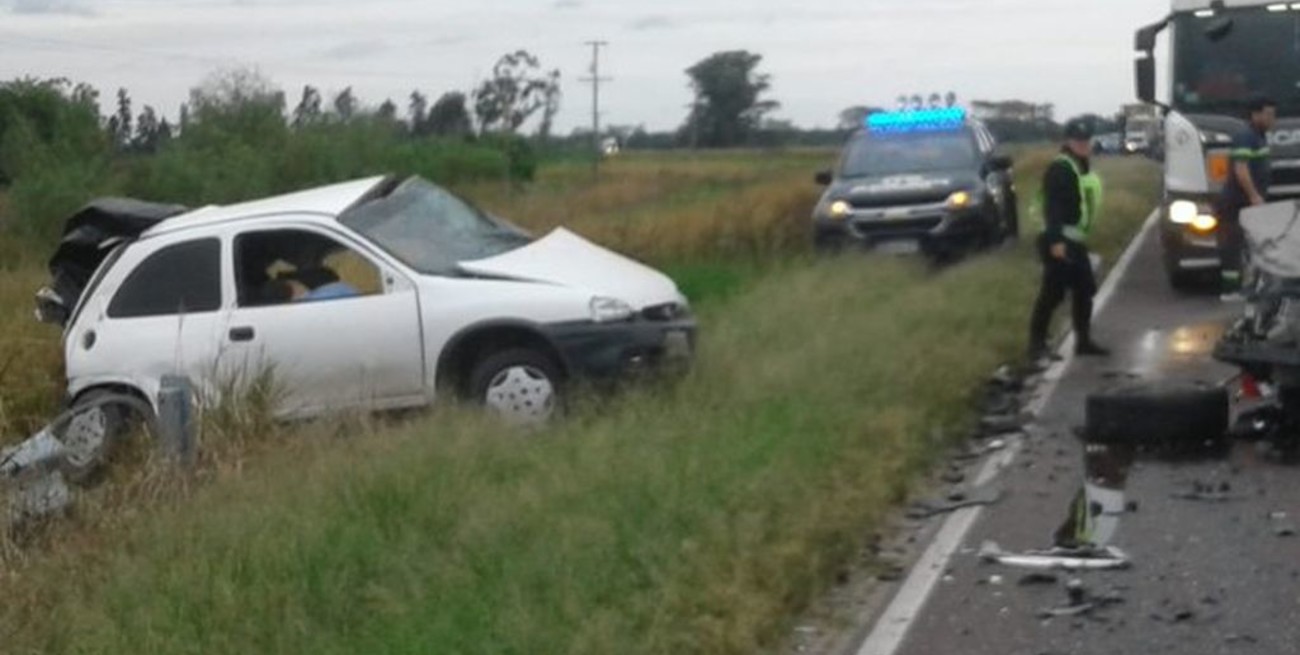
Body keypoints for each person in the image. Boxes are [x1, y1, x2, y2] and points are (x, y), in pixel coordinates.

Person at [1028, 117, 1109, 361]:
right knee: (1053, 293)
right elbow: (1052, 207)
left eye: (1086, 140)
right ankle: (1036, 345)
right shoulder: (1061, 168)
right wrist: (1056, 242)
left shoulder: (1080, 165)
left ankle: (1082, 342)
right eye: (1078, 141)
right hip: (1058, 238)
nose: (1083, 145)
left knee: (1085, 289)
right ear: (1068, 141)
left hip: (1073, 239)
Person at [1216, 96, 1276, 301]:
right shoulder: (1246, 136)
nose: (1272, 119)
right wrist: (1254, 196)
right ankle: (1230, 291)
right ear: (1255, 114)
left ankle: (1249, 285)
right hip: (1237, 203)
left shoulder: (1259, 136)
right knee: (1232, 246)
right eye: (1268, 115)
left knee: (1251, 246)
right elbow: (1241, 169)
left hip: (1248, 203)